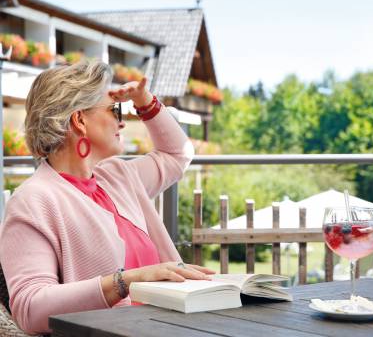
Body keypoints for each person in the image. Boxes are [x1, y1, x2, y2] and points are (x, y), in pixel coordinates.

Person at [0, 61, 214, 334]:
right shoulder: (33, 200)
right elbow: (30, 309)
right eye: (115, 110)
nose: (123, 121)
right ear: (79, 120)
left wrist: (145, 102)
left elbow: (178, 154)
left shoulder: (118, 176)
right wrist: (123, 282)